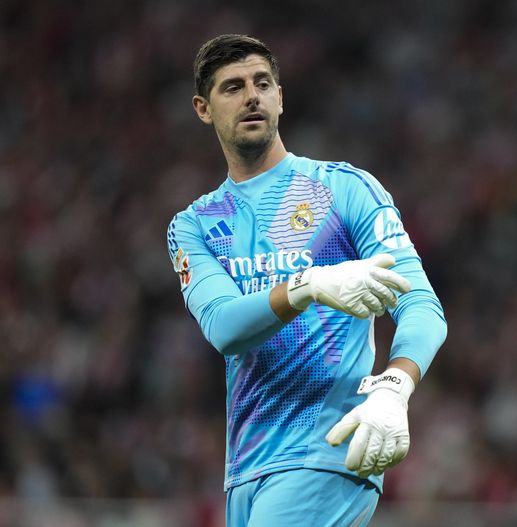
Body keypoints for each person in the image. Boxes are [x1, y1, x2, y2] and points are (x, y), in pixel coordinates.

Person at [166, 34, 447, 526]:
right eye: (232, 87)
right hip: (246, 468)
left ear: (280, 97)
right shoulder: (195, 224)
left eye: (262, 83)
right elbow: (224, 327)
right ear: (203, 108)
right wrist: (306, 286)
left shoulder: (341, 190)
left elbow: (422, 305)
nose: (251, 95)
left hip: (326, 450)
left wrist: (393, 386)